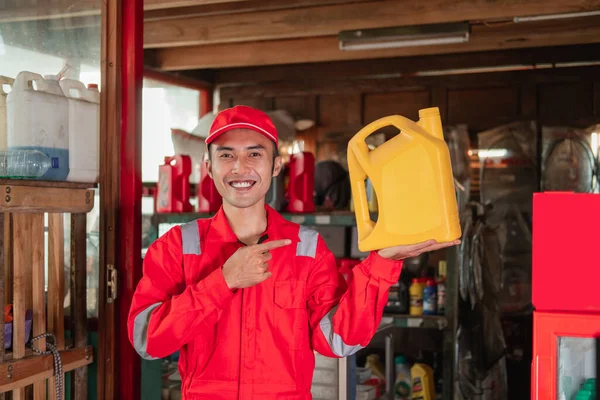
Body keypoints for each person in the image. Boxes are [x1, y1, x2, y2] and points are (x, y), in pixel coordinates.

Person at [128, 105, 459, 399]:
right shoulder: (177, 246)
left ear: (276, 166)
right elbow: (148, 341)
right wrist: (223, 281)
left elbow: (338, 340)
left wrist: (383, 264)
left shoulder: (306, 248)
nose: (240, 167)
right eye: (226, 155)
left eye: (254, 154)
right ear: (208, 166)